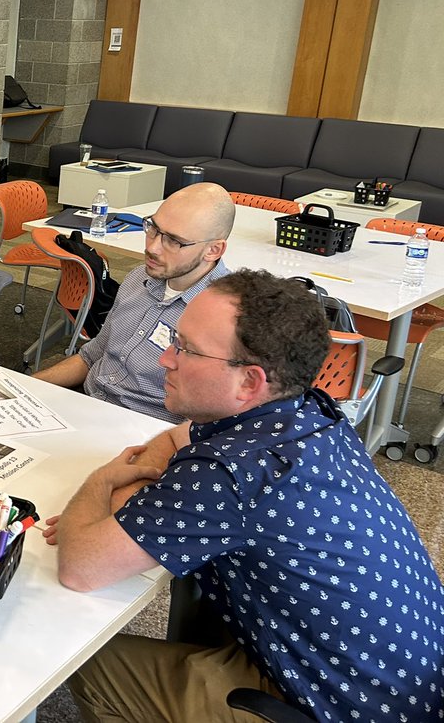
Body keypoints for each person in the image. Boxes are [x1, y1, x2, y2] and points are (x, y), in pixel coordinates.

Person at [49, 270, 444, 722]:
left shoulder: (231, 473)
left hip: (339, 709)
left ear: (249, 382)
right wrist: (137, 497)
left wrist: (103, 482)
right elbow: (178, 438)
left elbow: (81, 566)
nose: (165, 360)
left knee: (86, 662)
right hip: (404, 679)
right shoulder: (307, 411)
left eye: (186, 349)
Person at [33, 181, 235, 423]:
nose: (152, 247)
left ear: (213, 250)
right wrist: (23, 388)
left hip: (142, 430)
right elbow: (91, 356)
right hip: (87, 402)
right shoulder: (139, 277)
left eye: (173, 240)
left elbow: (207, 423)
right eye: (153, 228)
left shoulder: (228, 316)